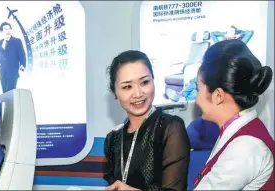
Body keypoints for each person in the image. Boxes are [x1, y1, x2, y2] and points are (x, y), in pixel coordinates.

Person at [104, 50, 191, 191]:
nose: (138, 94)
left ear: (153, 80)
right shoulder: (113, 140)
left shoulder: (170, 128)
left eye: (144, 82)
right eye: (127, 87)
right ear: (115, 92)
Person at [193, 39, 274, 190]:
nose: (196, 100)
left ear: (218, 96)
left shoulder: (245, 147)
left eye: (198, 89)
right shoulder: (239, 132)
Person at [0, 22, 26, 93]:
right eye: (6, 29)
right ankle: (6, 104)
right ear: (2, 31)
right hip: (2, 73)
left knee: (11, 93)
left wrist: (22, 64)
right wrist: (0, 63)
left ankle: (12, 104)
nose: (8, 31)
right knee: (4, 93)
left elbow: (22, 54)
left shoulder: (17, 41)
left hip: (13, 72)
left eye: (9, 29)